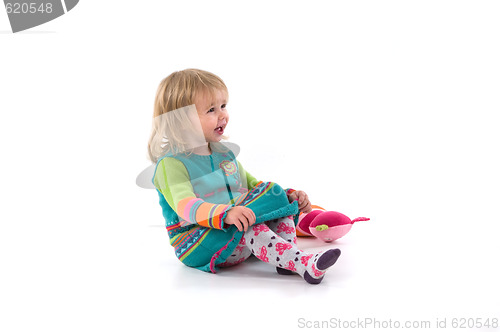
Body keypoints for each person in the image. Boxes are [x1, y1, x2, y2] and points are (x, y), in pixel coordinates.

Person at [148, 69, 341, 284]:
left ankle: (286, 258)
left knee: (273, 192)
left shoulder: (223, 154)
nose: (222, 115)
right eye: (211, 110)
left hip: (236, 230)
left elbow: (255, 188)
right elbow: (186, 206)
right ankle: (303, 264)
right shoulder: (172, 164)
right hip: (198, 241)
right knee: (250, 223)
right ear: (181, 121)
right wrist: (226, 214)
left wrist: (289, 196)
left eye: (223, 106)